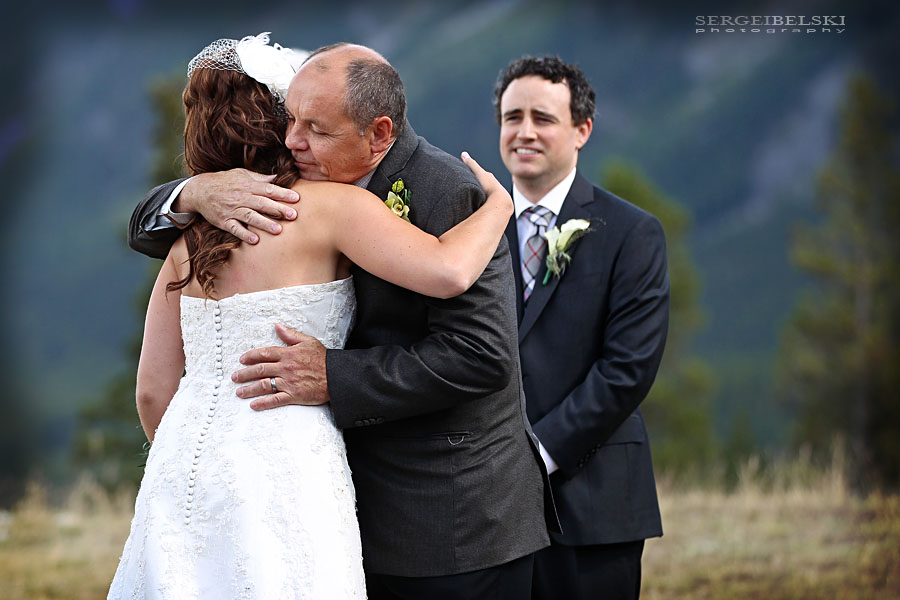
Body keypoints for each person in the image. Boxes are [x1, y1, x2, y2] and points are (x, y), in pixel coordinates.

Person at [127, 39, 552, 600]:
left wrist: (333, 375)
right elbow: (142, 226)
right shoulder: (229, 207)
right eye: (290, 120)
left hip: (446, 517)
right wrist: (194, 191)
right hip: (318, 491)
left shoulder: (446, 190)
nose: (293, 141)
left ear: (378, 135)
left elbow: (481, 356)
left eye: (316, 129)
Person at [494, 56, 669, 599]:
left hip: (592, 501)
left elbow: (627, 369)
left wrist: (536, 454)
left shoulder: (632, 232)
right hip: (489, 512)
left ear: (581, 130)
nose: (524, 132)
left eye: (542, 118)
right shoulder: (470, 227)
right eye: (511, 117)